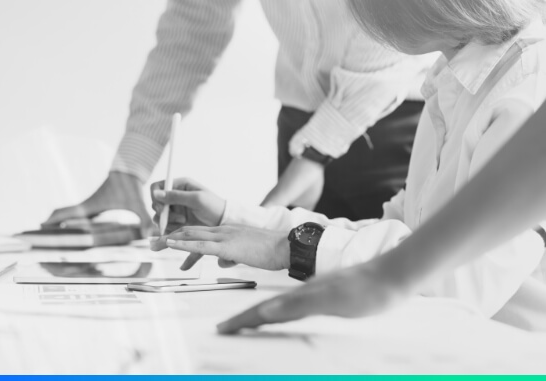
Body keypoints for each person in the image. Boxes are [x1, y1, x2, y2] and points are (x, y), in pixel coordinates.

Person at [150, 0, 546, 330]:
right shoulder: (451, 79)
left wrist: (290, 250)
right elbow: (408, 234)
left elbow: (465, 279)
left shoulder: (526, 87)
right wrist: (237, 218)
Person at [43, 1, 432, 234]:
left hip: (394, 120)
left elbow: (390, 42)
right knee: (295, 287)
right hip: (302, 124)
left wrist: (316, 155)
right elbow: (192, 32)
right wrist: (129, 170)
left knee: (399, 286)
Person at [218, 94, 546, 334]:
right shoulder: (446, 86)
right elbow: (397, 226)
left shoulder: (520, 91)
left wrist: (296, 248)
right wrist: (238, 218)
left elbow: (472, 280)